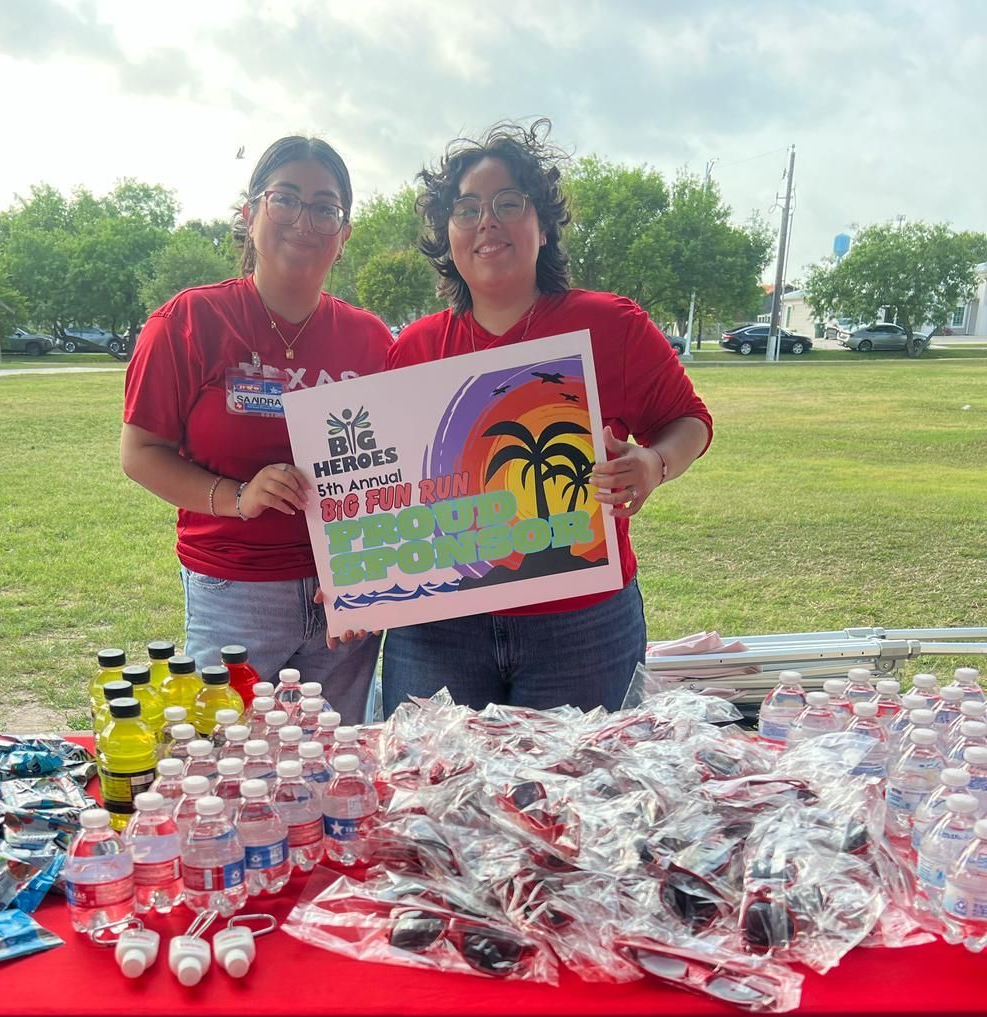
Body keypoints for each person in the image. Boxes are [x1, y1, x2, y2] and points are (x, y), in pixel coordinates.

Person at [381, 121, 713, 716]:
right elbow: (390, 490)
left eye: (508, 202)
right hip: (439, 629)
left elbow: (689, 420)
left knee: (576, 795)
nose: (487, 221)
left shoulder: (612, 324)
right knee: (438, 796)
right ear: (447, 234)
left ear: (543, 223)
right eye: (466, 209)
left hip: (581, 627)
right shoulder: (414, 349)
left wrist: (653, 463)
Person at [121, 136, 393, 724]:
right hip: (235, 591)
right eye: (286, 199)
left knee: (329, 765)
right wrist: (239, 496)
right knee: (227, 765)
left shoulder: (373, 340)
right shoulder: (189, 321)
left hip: (343, 591)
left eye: (326, 208)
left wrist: (375, 577)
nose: (306, 220)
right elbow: (141, 453)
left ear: (344, 235)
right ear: (249, 216)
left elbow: (398, 465)